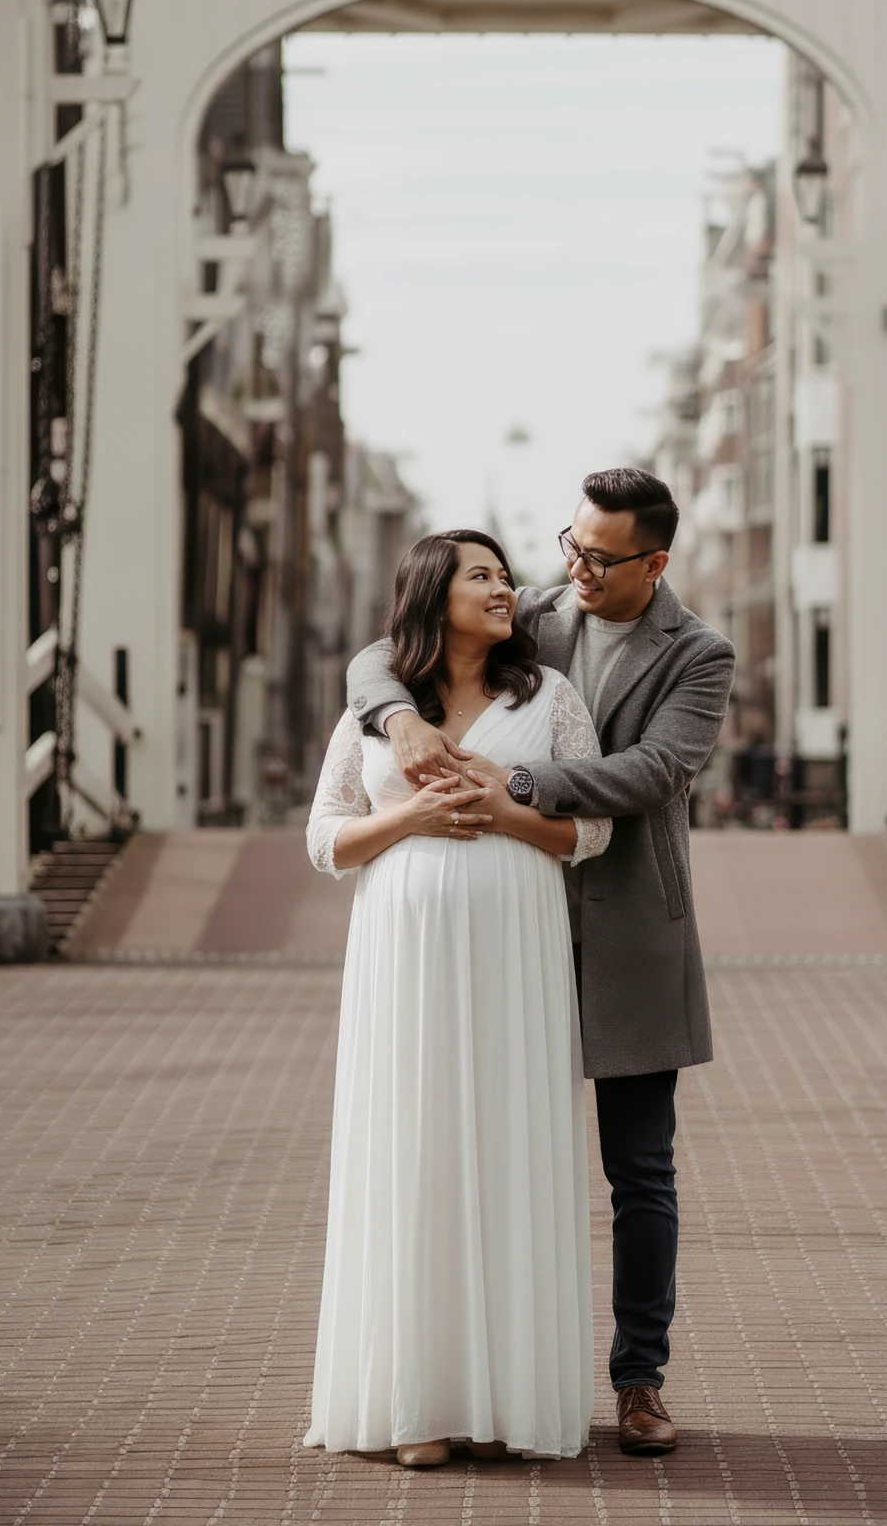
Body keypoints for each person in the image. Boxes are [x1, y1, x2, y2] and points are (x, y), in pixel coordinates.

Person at [348, 469, 735, 1456]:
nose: (573, 570)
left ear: (655, 561)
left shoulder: (699, 654)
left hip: (628, 934)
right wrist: (391, 712)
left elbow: (653, 772)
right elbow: (382, 653)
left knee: (638, 1172)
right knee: (479, 1152)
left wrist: (518, 778)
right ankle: (473, 1382)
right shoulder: (538, 613)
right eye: (569, 545)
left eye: (599, 558)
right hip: (502, 934)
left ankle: (637, 1383)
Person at [305, 530, 611, 1467]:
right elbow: (325, 841)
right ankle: (418, 1407)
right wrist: (415, 816)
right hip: (404, 957)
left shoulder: (549, 697)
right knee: (416, 1151)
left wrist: (506, 811)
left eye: (504, 573)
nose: (503, 586)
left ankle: (509, 1401)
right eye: (480, 574)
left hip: (516, 958)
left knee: (509, 1148)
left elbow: (592, 830)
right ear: (434, 593)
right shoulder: (377, 709)